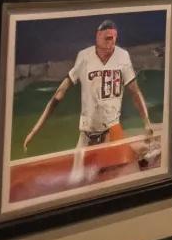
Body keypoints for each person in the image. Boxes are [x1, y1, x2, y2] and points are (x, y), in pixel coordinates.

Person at [23, 19, 153, 185]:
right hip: (87, 133)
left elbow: (135, 91)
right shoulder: (84, 57)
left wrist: (146, 122)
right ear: (97, 37)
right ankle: (143, 156)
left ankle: (145, 157)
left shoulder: (122, 56)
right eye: (108, 38)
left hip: (111, 130)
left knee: (118, 177)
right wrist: (34, 130)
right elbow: (59, 94)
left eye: (114, 38)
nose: (112, 42)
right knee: (76, 180)